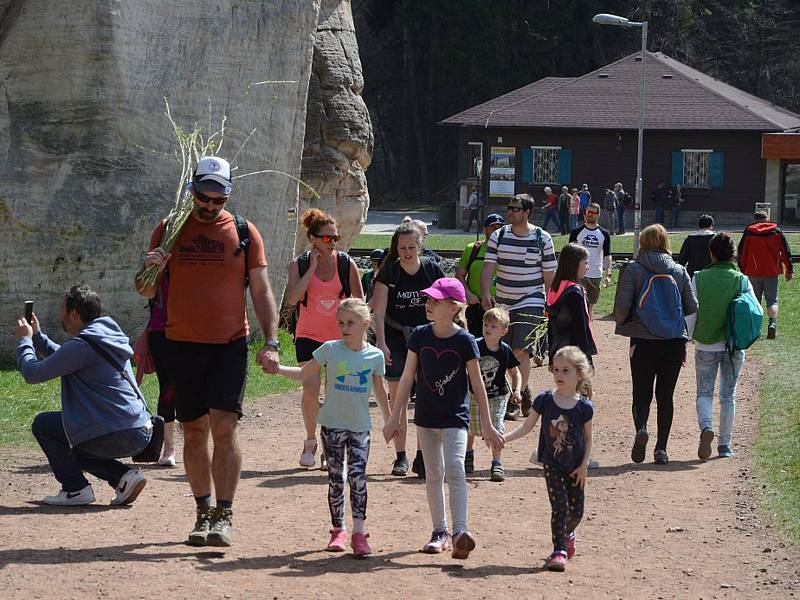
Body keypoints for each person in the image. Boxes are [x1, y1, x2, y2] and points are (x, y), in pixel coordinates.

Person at [136, 155, 281, 547]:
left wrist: (271, 341)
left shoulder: (244, 232)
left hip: (229, 346)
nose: (211, 205)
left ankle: (225, 513)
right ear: (192, 191)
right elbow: (145, 291)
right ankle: (203, 512)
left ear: (228, 195)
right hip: (181, 346)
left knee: (225, 428)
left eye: (219, 199)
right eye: (204, 197)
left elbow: (262, 291)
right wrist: (152, 267)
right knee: (194, 432)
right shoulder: (169, 230)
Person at [383, 278, 503, 560]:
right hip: (425, 418)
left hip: (455, 418)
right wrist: (393, 419)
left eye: (435, 301)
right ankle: (440, 532)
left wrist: (486, 424)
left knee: (455, 469)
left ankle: (460, 532)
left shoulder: (465, 341)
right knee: (433, 474)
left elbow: (477, 383)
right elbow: (407, 377)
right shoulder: (420, 336)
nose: (428, 304)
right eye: (429, 299)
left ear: (453, 307)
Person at [271, 299, 389, 556]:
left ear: (365, 323)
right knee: (337, 480)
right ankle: (338, 531)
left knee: (358, 479)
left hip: (360, 427)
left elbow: (380, 391)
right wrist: (277, 368)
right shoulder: (330, 350)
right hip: (332, 426)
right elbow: (304, 374)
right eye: (340, 323)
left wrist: (389, 421)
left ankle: (359, 533)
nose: (344, 328)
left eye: (350, 323)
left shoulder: (375, 356)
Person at [15, 286, 152, 506]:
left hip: (116, 432)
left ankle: (75, 489)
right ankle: (123, 477)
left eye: (62, 309)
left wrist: (25, 341)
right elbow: (67, 357)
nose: (60, 314)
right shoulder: (105, 337)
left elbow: (33, 373)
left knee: (45, 426)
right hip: (140, 430)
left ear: (74, 314)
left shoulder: (81, 346)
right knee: (72, 435)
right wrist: (39, 338)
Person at [285, 209, 363, 469]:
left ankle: (331, 446)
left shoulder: (346, 264)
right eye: (327, 238)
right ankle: (310, 441)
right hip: (308, 336)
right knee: (310, 390)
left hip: (340, 339)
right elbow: (293, 298)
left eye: (335, 238)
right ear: (313, 239)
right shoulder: (300, 264)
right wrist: (313, 269)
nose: (333, 243)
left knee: (335, 394)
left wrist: (359, 337)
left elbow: (359, 303)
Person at [504, 346, 594, 572]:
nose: (559, 375)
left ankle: (568, 533)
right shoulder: (544, 400)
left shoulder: (584, 407)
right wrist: (503, 438)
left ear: (579, 374)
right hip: (552, 464)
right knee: (560, 508)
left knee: (577, 512)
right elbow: (526, 427)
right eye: (556, 369)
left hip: (576, 466)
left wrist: (584, 466)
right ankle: (559, 551)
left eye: (566, 371)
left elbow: (588, 437)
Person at [613, 224, 697, 465]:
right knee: (665, 395)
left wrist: (625, 321)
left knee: (641, 392)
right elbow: (692, 306)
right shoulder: (679, 271)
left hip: (642, 339)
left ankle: (641, 428)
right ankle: (661, 449)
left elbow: (621, 307)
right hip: (673, 340)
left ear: (643, 243)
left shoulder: (634, 269)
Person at [372, 222, 445, 477]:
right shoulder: (389, 273)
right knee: (398, 398)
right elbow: (378, 313)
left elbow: (446, 302)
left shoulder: (432, 269)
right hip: (395, 336)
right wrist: (381, 343)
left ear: (420, 246)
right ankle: (400, 456)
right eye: (402, 248)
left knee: (426, 396)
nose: (407, 252)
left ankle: (422, 456)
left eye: (412, 247)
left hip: (426, 335)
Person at [481, 194, 557, 419]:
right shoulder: (499, 235)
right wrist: (486, 293)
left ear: (527, 212)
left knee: (520, 351)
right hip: (503, 302)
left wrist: (549, 303)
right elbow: (487, 270)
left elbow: (549, 276)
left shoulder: (542, 238)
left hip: (531, 300)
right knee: (504, 353)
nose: (510, 212)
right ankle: (523, 390)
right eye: (509, 208)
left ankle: (516, 396)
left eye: (515, 209)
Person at [686, 232, 755, 460]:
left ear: (711, 253)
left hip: (706, 343)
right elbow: (752, 310)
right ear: (733, 254)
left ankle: (706, 428)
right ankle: (725, 445)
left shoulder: (699, 277)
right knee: (728, 394)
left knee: (704, 392)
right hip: (734, 345)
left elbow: (692, 313)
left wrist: (687, 337)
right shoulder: (742, 280)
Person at [464, 308, 521, 481]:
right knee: (471, 427)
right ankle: (468, 455)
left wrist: (517, 390)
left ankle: (497, 463)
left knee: (496, 427)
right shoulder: (475, 345)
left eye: (493, 326)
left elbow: (515, 373)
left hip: (497, 396)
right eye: (485, 324)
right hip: (474, 394)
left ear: (504, 331)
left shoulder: (505, 350)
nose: (488, 328)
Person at [738, 210, 793, 339]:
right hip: (771, 271)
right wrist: (789, 271)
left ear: (754, 219)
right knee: (772, 300)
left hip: (753, 271)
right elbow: (786, 252)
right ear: (767, 218)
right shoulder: (776, 231)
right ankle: (772, 324)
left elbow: (741, 253)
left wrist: (743, 269)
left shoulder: (749, 232)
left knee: (754, 301)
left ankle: (755, 329)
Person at [454, 213, 505, 337]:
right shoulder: (472, 249)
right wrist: (467, 293)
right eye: (493, 227)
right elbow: (459, 275)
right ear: (484, 229)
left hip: (499, 305)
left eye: (500, 228)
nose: (496, 231)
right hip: (475, 305)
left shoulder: (507, 250)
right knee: (474, 341)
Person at [546, 244, 597, 366]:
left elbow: (550, 326)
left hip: (559, 351)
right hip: (574, 354)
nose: (588, 268)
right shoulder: (574, 292)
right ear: (574, 264)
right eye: (585, 263)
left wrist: (551, 356)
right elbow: (580, 328)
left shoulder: (555, 288)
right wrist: (587, 358)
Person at [569, 203, 612, 321]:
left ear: (598, 215)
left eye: (592, 213)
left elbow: (607, 256)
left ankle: (587, 330)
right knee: (579, 304)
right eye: (587, 212)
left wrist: (608, 275)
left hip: (595, 275)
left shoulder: (604, 234)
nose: (589, 215)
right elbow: (569, 253)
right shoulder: (576, 232)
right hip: (578, 274)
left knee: (590, 307)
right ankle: (579, 331)